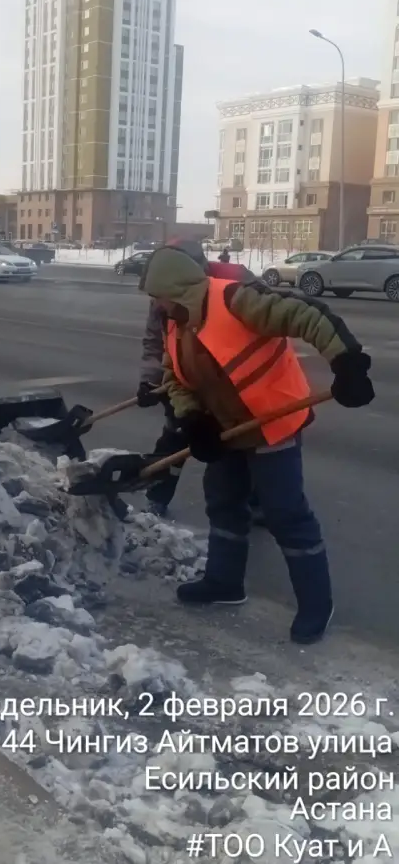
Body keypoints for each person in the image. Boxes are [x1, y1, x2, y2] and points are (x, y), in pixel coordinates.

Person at [140, 245, 374, 644]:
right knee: (224, 504)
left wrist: (346, 361)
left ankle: (317, 603)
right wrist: (193, 418)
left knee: (285, 514)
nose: (156, 306)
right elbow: (176, 377)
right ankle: (224, 583)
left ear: (177, 289)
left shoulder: (234, 299)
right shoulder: (177, 322)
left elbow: (305, 314)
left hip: (272, 421)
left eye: (158, 296)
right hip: (227, 427)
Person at [137, 240, 265, 524]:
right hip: (187, 373)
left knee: (245, 440)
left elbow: (269, 324)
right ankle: (157, 496)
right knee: (176, 434)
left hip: (232, 378)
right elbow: (155, 341)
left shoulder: (237, 280)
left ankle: (258, 501)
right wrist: (150, 380)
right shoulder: (164, 291)